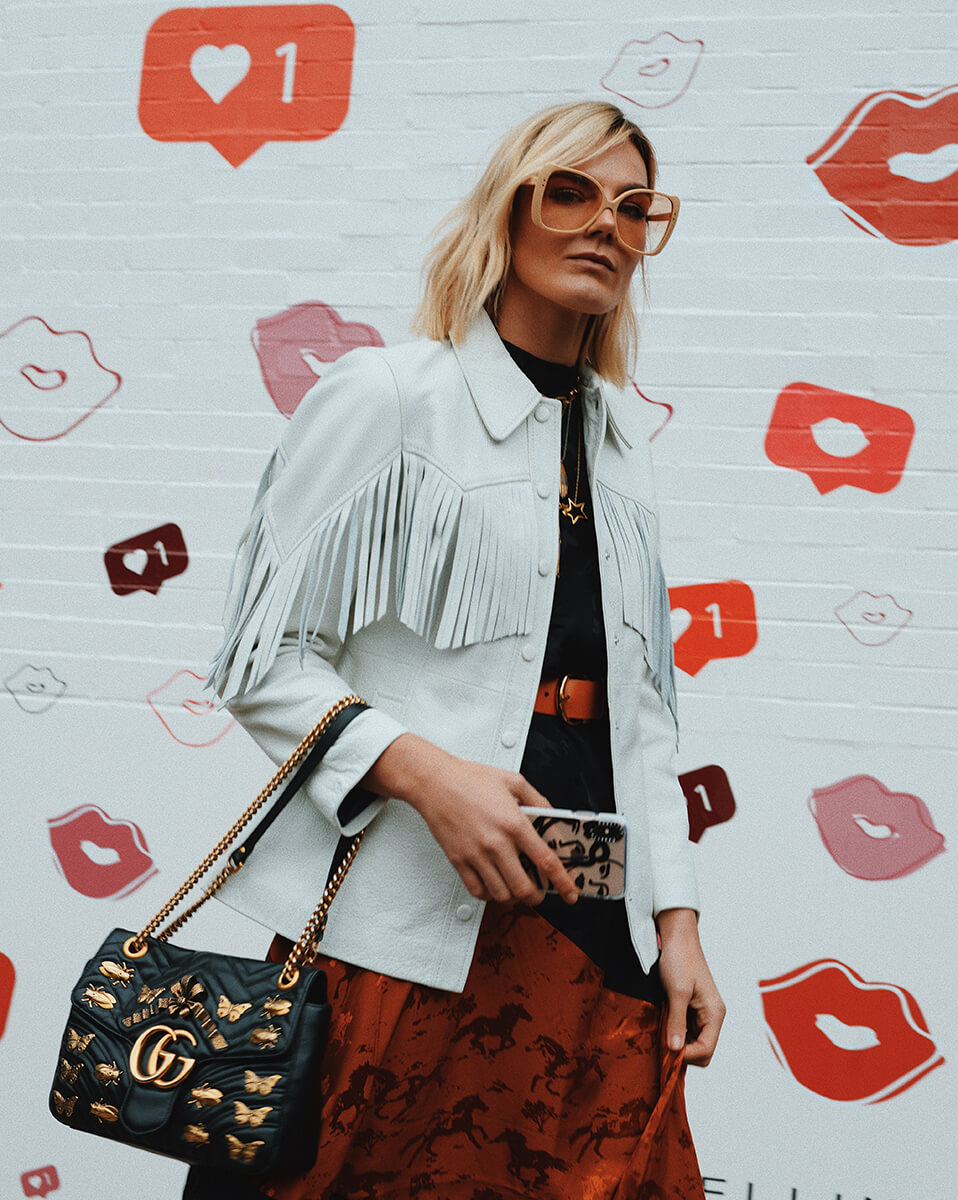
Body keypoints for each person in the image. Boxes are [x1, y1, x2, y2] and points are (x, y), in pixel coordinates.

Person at [187, 99, 724, 1200]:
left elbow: (641, 718)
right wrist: (429, 778)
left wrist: (676, 923)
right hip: (398, 930)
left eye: (633, 207)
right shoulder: (389, 396)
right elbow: (258, 657)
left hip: (590, 927)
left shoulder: (622, 443)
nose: (605, 224)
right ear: (506, 211)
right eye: (568, 193)